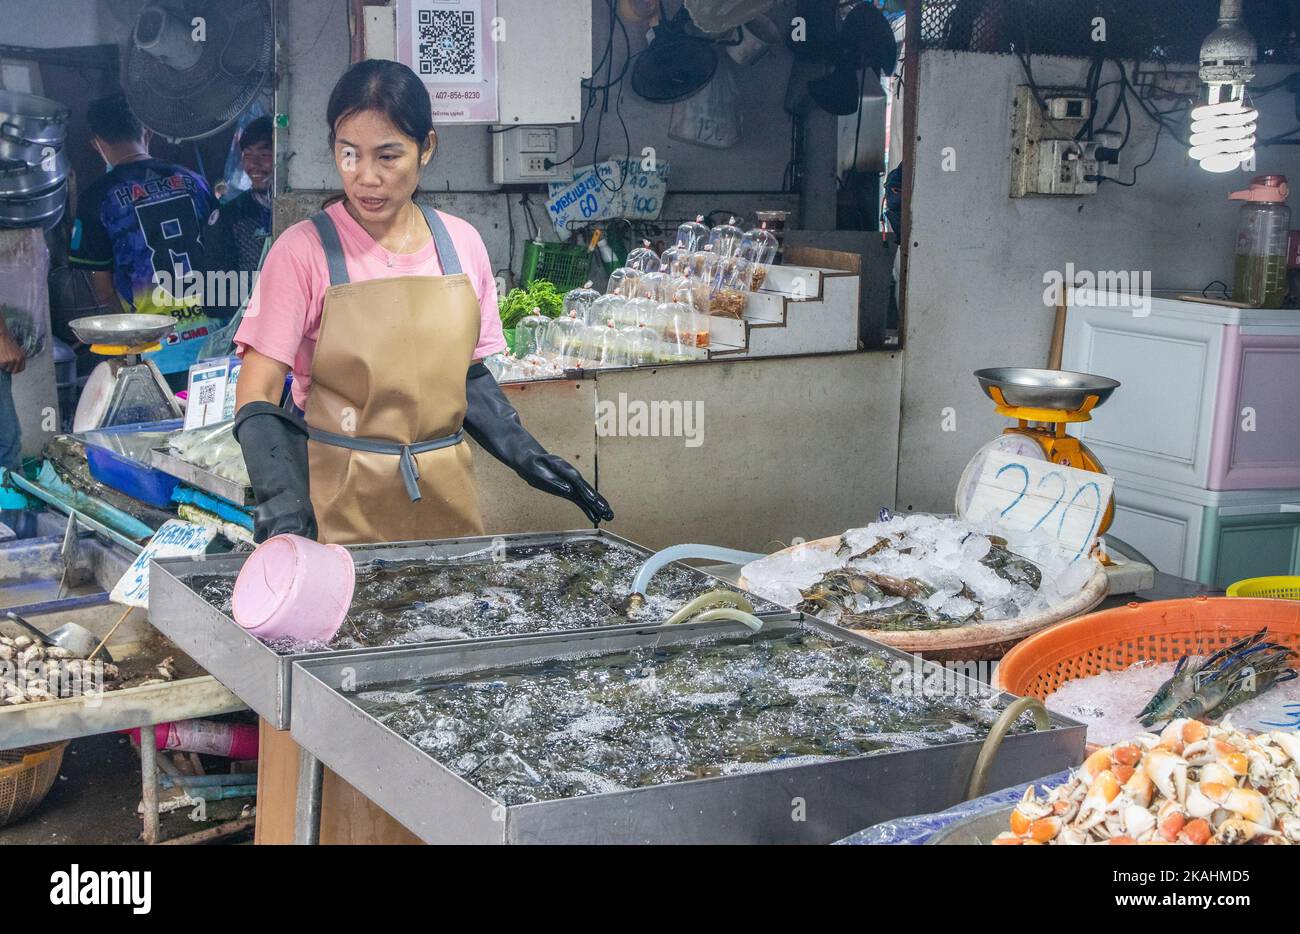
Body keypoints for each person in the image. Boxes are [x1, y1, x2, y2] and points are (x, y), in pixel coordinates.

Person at [231, 59, 612, 843]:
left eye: (388, 155)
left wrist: (524, 451)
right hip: (335, 504)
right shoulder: (303, 252)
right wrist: (283, 508)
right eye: (348, 153)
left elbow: (467, 374)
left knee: (450, 684)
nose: (365, 176)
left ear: (427, 149)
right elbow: (258, 388)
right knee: (342, 703)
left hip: (443, 496)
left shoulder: (460, 243)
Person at [68, 93, 221, 379]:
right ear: (147, 132)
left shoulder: (97, 200)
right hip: (214, 340)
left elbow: (103, 291)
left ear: (96, 144)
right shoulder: (194, 181)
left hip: (155, 349)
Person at [208, 115, 274, 310]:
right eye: (247, 155)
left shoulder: (302, 214)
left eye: (264, 155)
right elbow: (216, 296)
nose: (253, 164)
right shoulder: (231, 216)